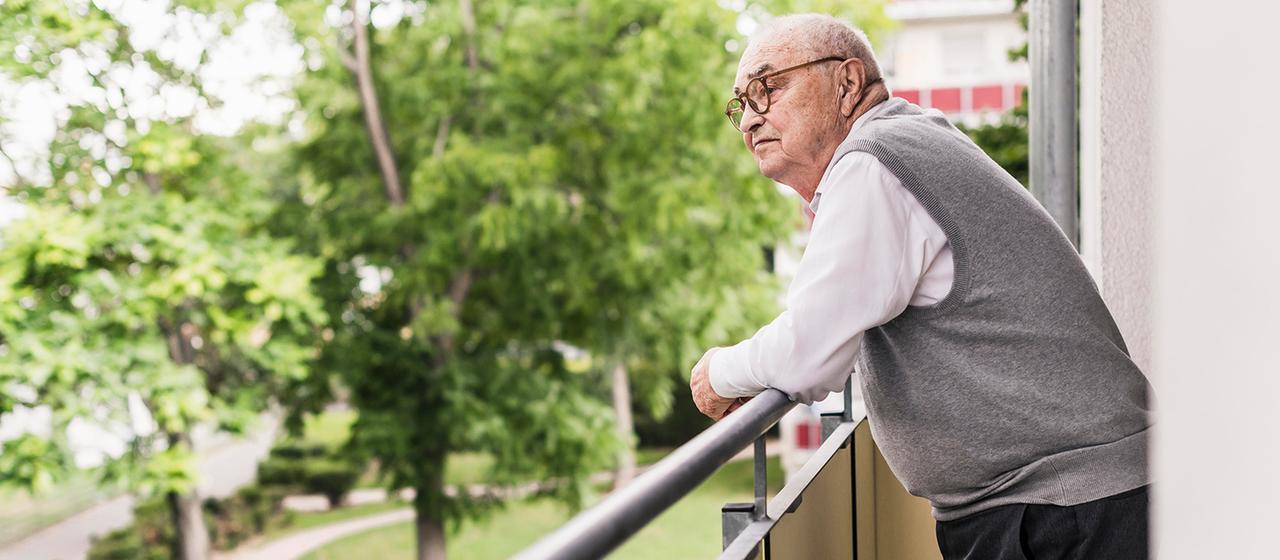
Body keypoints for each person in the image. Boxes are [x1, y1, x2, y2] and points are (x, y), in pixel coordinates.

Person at [688, 13, 1153, 560]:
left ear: (846, 82)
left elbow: (806, 354)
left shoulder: (874, 162)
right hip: (1067, 502)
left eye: (768, 87)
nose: (749, 120)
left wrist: (717, 372)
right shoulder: (905, 143)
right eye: (741, 104)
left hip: (1065, 511)